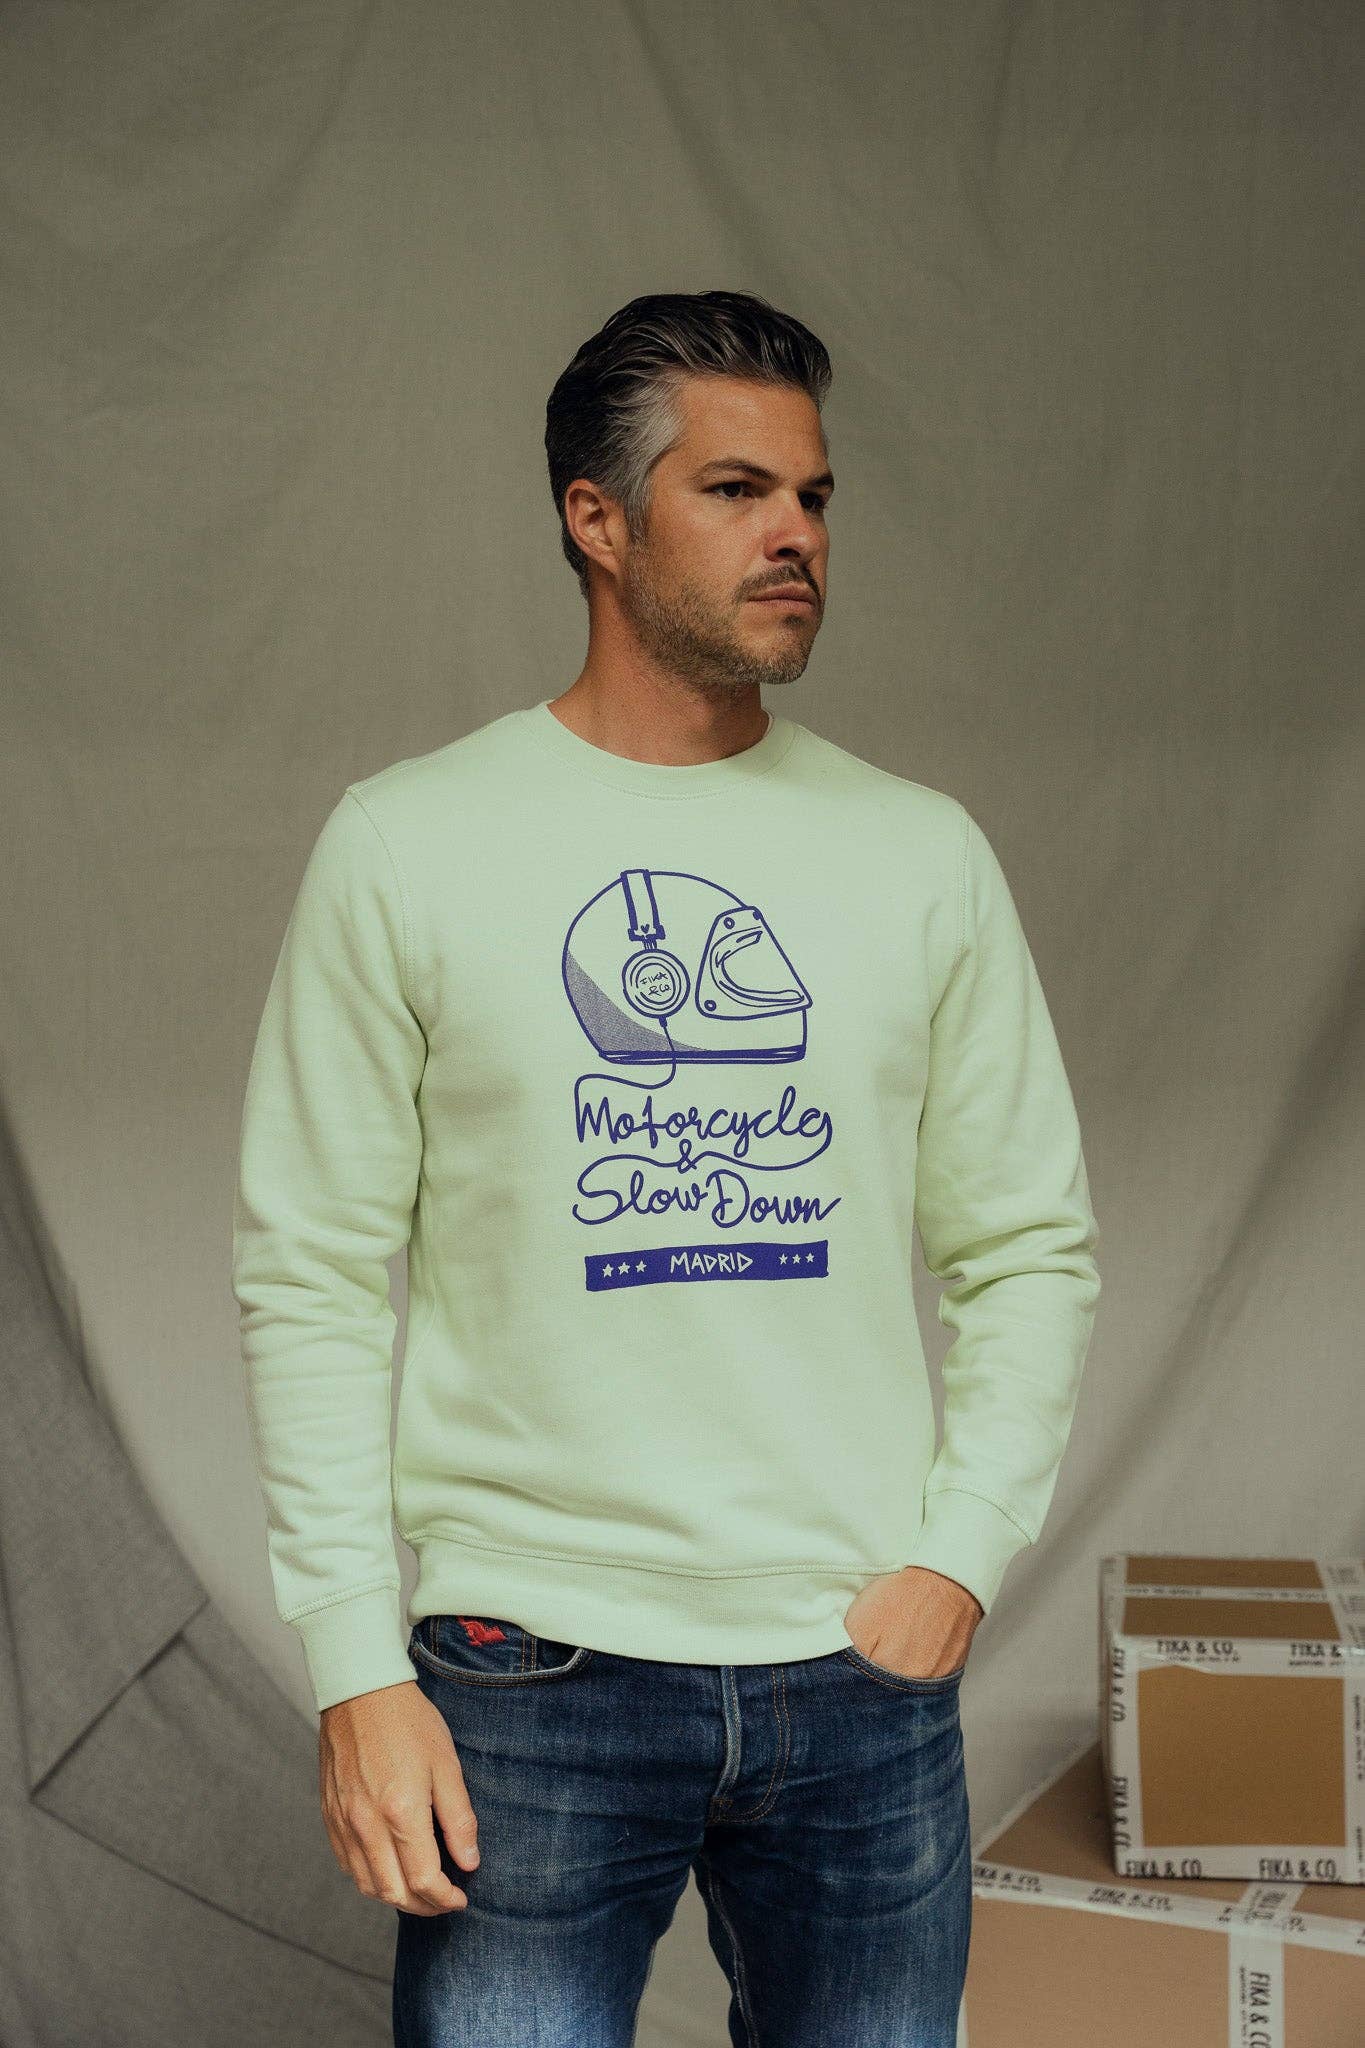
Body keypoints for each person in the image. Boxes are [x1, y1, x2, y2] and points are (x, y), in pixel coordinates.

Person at [232, 288, 1101, 2047]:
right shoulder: (408, 843)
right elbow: (308, 1270)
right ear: (598, 519)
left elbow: (1028, 1247)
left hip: (854, 1671)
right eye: (734, 490)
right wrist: (351, 1664)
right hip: (524, 1674)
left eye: (815, 495)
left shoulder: (919, 854)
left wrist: (958, 1553)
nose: (796, 534)